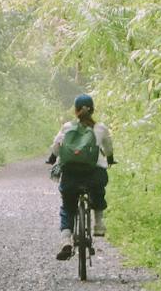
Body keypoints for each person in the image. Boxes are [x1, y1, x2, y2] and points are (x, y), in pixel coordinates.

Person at [47, 93, 114, 260]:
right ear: (93, 110)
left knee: (68, 206)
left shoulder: (67, 127)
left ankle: (66, 241)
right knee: (98, 191)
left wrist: (52, 158)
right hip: (94, 174)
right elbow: (108, 148)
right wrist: (110, 159)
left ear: (75, 111)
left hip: (71, 175)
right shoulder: (100, 128)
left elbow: (56, 147)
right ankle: (98, 224)